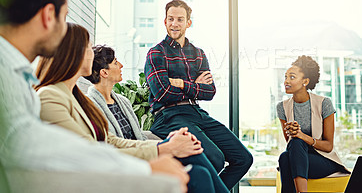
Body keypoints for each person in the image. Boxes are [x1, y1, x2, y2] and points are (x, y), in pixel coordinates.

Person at [0, 0, 187, 192]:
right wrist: (147, 169)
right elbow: (37, 146)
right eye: (64, 16)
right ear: (49, 16)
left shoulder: (15, 75)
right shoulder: (13, 80)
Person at [36, 23, 226, 193]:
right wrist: (162, 150)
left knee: (196, 158)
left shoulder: (78, 99)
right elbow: (91, 154)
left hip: (116, 162)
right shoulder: (51, 96)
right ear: (72, 54)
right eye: (88, 48)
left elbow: (113, 141)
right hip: (102, 174)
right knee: (199, 174)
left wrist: (165, 145)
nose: (92, 54)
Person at [85, 44, 229, 193]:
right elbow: (111, 145)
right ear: (104, 73)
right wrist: (163, 146)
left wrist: (168, 141)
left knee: (190, 146)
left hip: (143, 149)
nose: (121, 65)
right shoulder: (91, 106)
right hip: (132, 158)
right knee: (200, 172)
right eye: (115, 62)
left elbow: (139, 136)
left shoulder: (123, 101)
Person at [144, 0, 253, 190]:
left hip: (196, 112)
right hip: (168, 116)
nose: (174, 24)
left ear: (188, 23)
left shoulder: (198, 53)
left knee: (243, 158)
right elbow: (162, 93)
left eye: (179, 19)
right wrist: (194, 85)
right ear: (165, 21)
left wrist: (180, 83)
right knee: (215, 158)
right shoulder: (156, 53)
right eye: (170, 19)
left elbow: (209, 92)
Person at [277, 55, 350, 193]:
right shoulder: (282, 107)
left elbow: (328, 146)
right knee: (285, 156)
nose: (286, 81)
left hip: (323, 160)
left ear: (305, 81)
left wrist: (302, 136)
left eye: (292, 77)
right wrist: (293, 133)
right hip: (298, 158)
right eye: (285, 77)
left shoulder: (324, 103)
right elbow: (289, 142)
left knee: (294, 147)